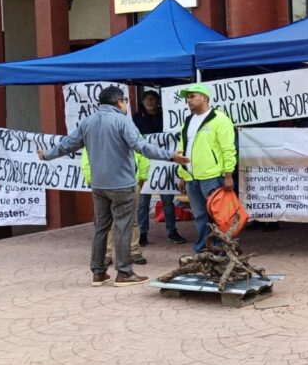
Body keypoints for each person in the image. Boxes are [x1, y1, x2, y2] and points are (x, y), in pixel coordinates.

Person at [37, 86, 188, 287]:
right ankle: (124, 273)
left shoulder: (87, 122)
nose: (126, 105)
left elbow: (68, 144)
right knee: (123, 227)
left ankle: (98, 273)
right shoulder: (123, 121)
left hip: (99, 185)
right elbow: (141, 147)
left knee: (101, 227)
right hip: (122, 184)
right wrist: (171, 156)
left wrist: (47, 155)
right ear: (119, 102)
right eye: (125, 101)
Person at [175, 84, 237, 253]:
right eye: (187, 97)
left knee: (218, 215)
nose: (189, 100)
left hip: (212, 176)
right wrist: (182, 173)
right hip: (191, 177)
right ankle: (204, 249)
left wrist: (228, 174)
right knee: (200, 216)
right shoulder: (188, 120)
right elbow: (182, 147)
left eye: (192, 96)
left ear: (204, 97)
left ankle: (222, 249)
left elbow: (228, 149)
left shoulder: (220, 119)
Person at [133, 90, 186, 245]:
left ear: (158, 102)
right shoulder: (136, 118)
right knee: (143, 201)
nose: (148, 102)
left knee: (167, 200)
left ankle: (171, 231)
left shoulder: (167, 117)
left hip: (164, 164)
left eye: (151, 99)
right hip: (144, 163)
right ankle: (142, 233)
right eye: (146, 99)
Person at [82, 147, 149, 265]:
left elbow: (143, 154)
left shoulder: (130, 131)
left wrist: (141, 179)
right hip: (103, 184)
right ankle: (106, 254)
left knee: (132, 219)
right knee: (105, 222)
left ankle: (134, 251)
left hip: (130, 183)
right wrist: (90, 180)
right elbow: (86, 159)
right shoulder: (93, 134)